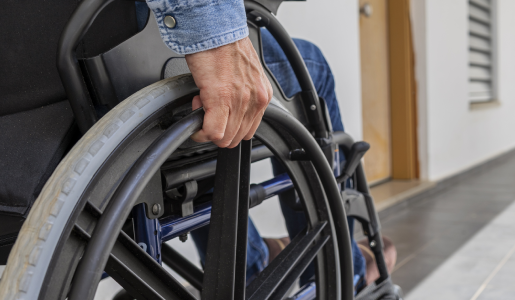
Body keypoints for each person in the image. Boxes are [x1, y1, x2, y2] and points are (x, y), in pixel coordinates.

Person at [140, 0, 375, 288]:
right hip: (145, 54)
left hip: (90, 78)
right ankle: (343, 271)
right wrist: (217, 35)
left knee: (215, 121)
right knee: (314, 67)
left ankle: (252, 263)